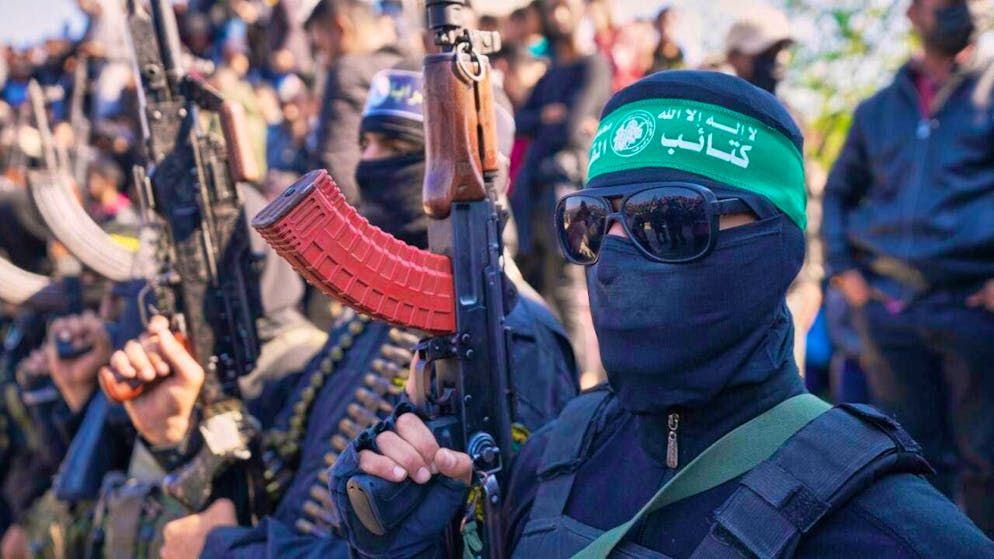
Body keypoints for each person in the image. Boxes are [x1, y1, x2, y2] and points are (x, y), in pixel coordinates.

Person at [330, 70, 994, 558]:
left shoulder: (887, 527)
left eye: (666, 220)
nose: (614, 254)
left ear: (774, 247)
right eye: (591, 223)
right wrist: (417, 539)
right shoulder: (558, 452)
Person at [104, 69, 578, 559]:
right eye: (365, 143)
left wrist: (226, 550)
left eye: (396, 147)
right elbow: (292, 487)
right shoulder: (369, 320)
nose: (369, 162)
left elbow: (473, 545)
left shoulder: (514, 339)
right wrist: (175, 433)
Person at [822, 0, 994, 535]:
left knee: (987, 459)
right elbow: (838, 192)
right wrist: (844, 270)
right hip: (888, 310)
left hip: (974, 311)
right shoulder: (878, 109)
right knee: (912, 462)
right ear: (914, 13)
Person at [511, 0, 612, 381]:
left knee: (569, 284)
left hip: (573, 192)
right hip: (535, 194)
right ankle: (550, 378)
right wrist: (544, 116)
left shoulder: (594, 65)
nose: (557, 14)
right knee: (539, 287)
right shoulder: (551, 75)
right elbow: (521, 119)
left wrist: (554, 120)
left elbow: (570, 127)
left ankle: (580, 379)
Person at [305, 0, 416, 205]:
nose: (324, 60)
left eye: (321, 48)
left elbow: (335, 170)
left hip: (362, 222)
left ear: (341, 28)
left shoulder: (348, 71)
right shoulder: (414, 68)